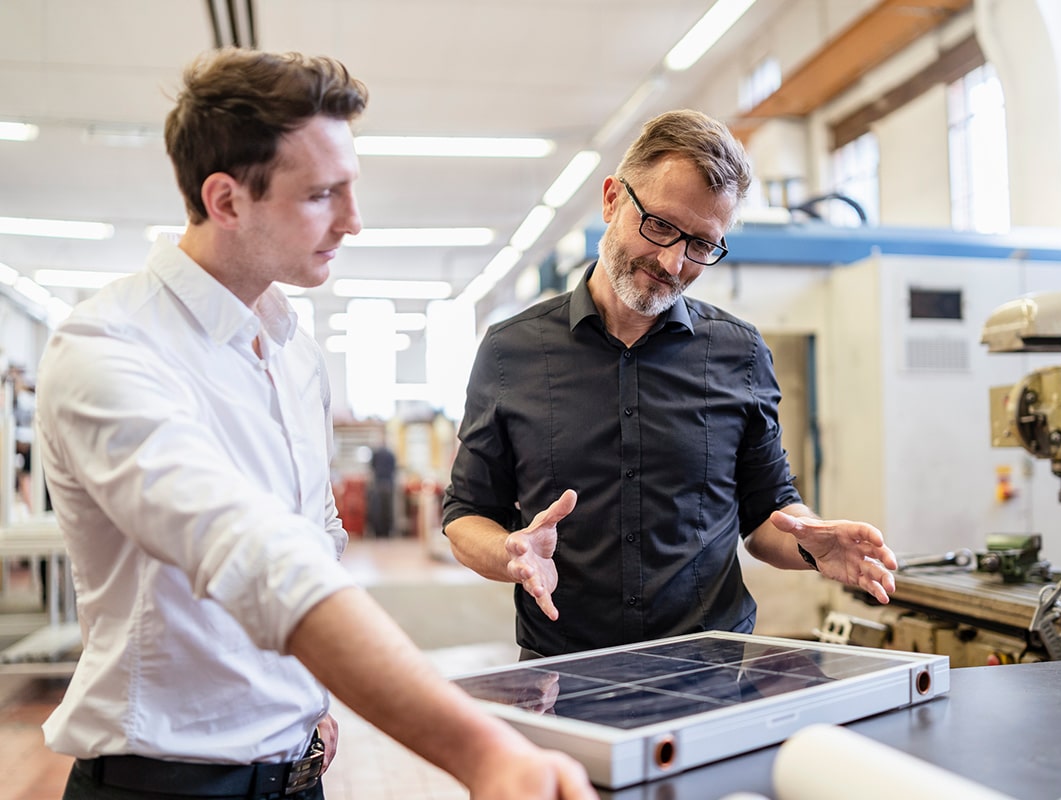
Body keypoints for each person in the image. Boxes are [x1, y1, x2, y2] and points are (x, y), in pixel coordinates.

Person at [35, 47, 597, 800]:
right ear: (227, 200)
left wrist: (306, 700)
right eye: (322, 194)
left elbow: (314, 538)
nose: (354, 222)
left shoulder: (291, 352)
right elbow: (256, 557)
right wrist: (481, 752)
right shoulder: (107, 347)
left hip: (299, 771)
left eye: (351, 188)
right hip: (165, 784)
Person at [443, 109, 898, 660]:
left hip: (710, 668)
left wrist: (810, 540)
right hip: (567, 670)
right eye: (659, 225)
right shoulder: (510, 351)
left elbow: (768, 512)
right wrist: (510, 551)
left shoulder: (740, 353)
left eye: (702, 245)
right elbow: (467, 512)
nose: (672, 260)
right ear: (612, 200)